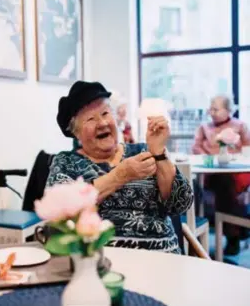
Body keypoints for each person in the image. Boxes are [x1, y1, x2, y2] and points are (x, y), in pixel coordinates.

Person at [47, 81, 193, 254]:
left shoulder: (144, 151)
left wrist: (160, 153)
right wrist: (120, 175)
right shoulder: (66, 161)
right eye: (90, 119)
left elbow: (181, 202)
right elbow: (60, 211)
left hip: (162, 259)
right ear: (76, 133)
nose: (101, 123)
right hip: (101, 263)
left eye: (105, 113)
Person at [192, 94, 250, 255]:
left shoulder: (240, 126)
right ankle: (237, 231)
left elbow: (247, 149)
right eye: (210, 108)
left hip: (238, 171)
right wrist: (208, 156)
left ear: (228, 110)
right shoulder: (204, 127)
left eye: (216, 109)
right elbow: (196, 147)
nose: (211, 112)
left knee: (229, 182)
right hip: (212, 173)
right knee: (223, 182)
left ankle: (235, 231)